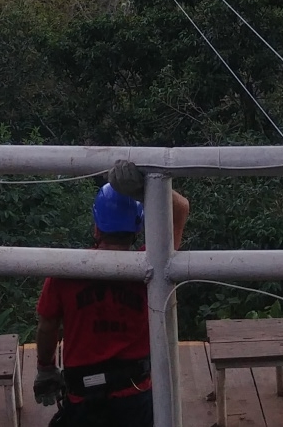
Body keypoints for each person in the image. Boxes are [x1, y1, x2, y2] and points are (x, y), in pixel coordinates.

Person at [32, 163, 189, 427]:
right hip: (134, 396)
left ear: (96, 227)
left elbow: (48, 326)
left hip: (83, 398)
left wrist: (46, 368)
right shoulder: (152, 266)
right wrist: (145, 190)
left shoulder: (65, 271)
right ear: (138, 226)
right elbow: (180, 209)